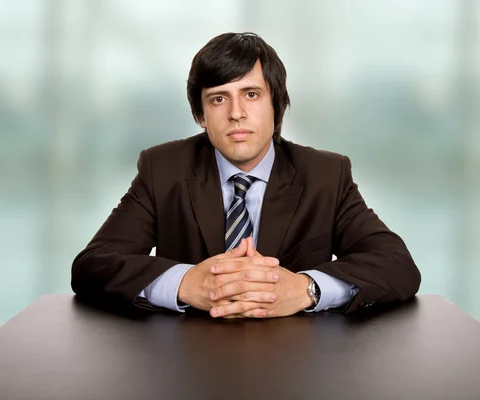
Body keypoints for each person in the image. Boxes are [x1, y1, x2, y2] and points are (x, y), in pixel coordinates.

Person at [71, 32, 421, 319]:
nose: (236, 114)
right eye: (219, 99)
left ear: (277, 105)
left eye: (251, 95)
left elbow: (396, 264)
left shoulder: (325, 175)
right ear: (201, 116)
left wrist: (305, 289)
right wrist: (185, 283)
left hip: (301, 363)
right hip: (184, 362)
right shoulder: (164, 169)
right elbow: (93, 264)